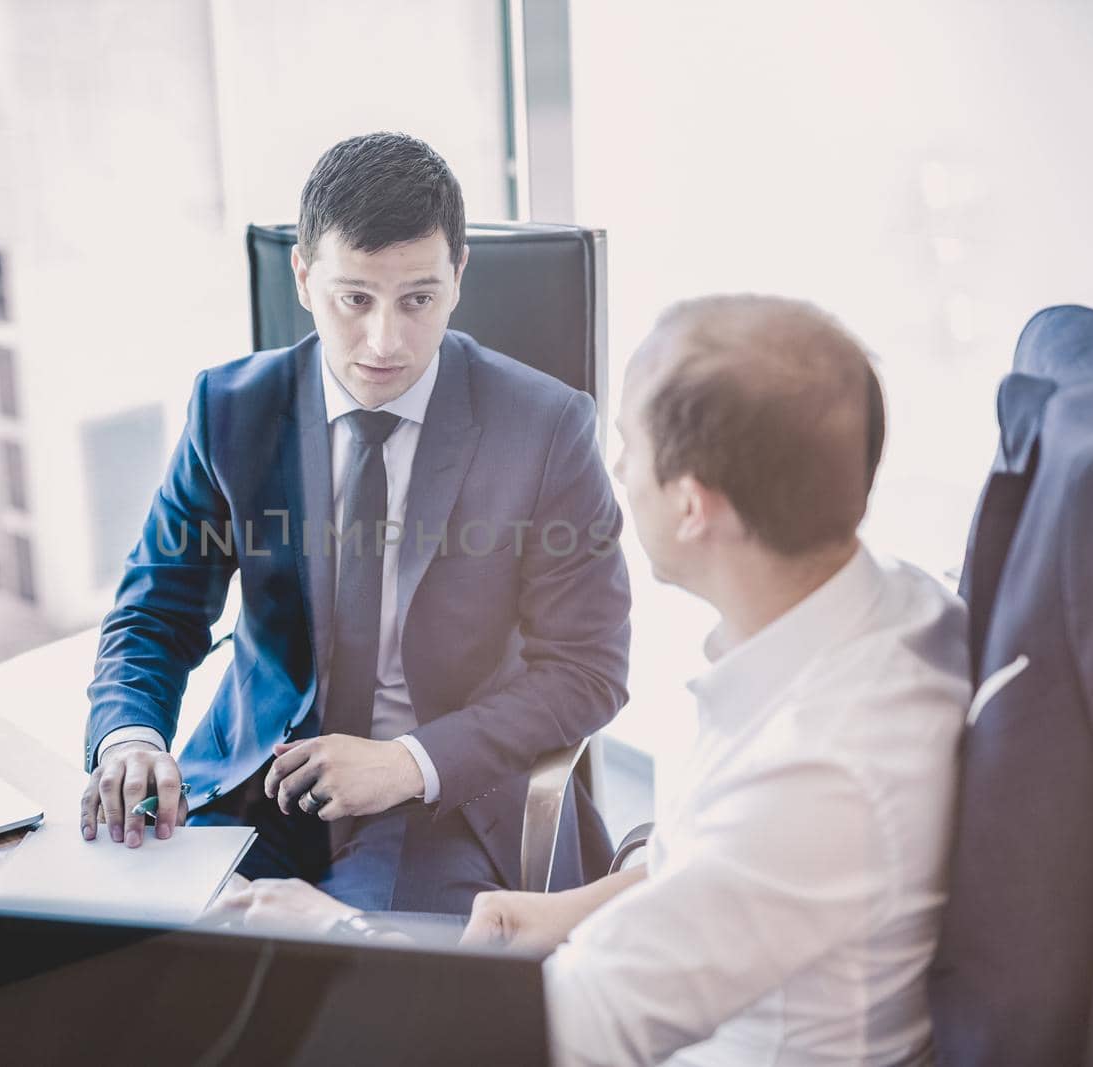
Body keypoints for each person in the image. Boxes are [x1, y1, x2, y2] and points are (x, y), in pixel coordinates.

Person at [214, 294, 971, 1065]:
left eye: (628, 448)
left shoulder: (814, 773)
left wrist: (338, 935)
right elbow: (728, 874)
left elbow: (550, 1034)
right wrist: (565, 912)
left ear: (690, 506)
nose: (614, 470)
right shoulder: (898, 604)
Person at [80, 132, 631, 915]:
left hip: (441, 804)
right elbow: (153, 611)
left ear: (458, 277)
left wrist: (407, 761)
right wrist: (129, 736)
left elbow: (588, 668)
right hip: (252, 784)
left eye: (418, 299)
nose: (385, 341)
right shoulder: (229, 411)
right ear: (304, 278)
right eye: (355, 298)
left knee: (367, 1004)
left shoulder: (547, 429)